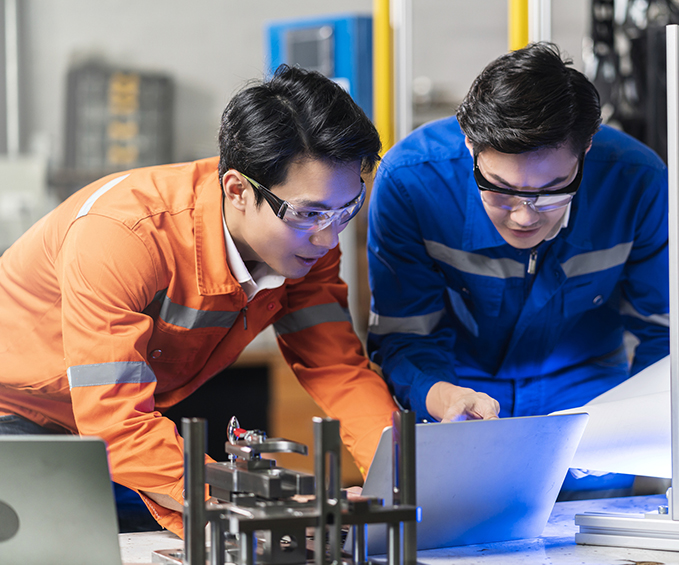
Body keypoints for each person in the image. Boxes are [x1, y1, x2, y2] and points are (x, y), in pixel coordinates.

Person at [0, 65, 398, 536]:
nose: (329, 239)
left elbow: (337, 369)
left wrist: (398, 483)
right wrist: (264, 505)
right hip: (21, 419)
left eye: (346, 209)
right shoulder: (123, 238)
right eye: (309, 213)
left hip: (128, 427)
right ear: (237, 190)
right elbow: (116, 423)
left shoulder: (302, 247)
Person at [367, 43, 668, 428]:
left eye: (554, 188)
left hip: (591, 393)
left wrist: (636, 425)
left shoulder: (637, 181)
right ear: (469, 144)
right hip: (461, 386)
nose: (525, 216)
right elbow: (406, 335)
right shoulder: (411, 182)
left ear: (587, 149)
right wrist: (444, 396)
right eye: (500, 188)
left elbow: (663, 332)